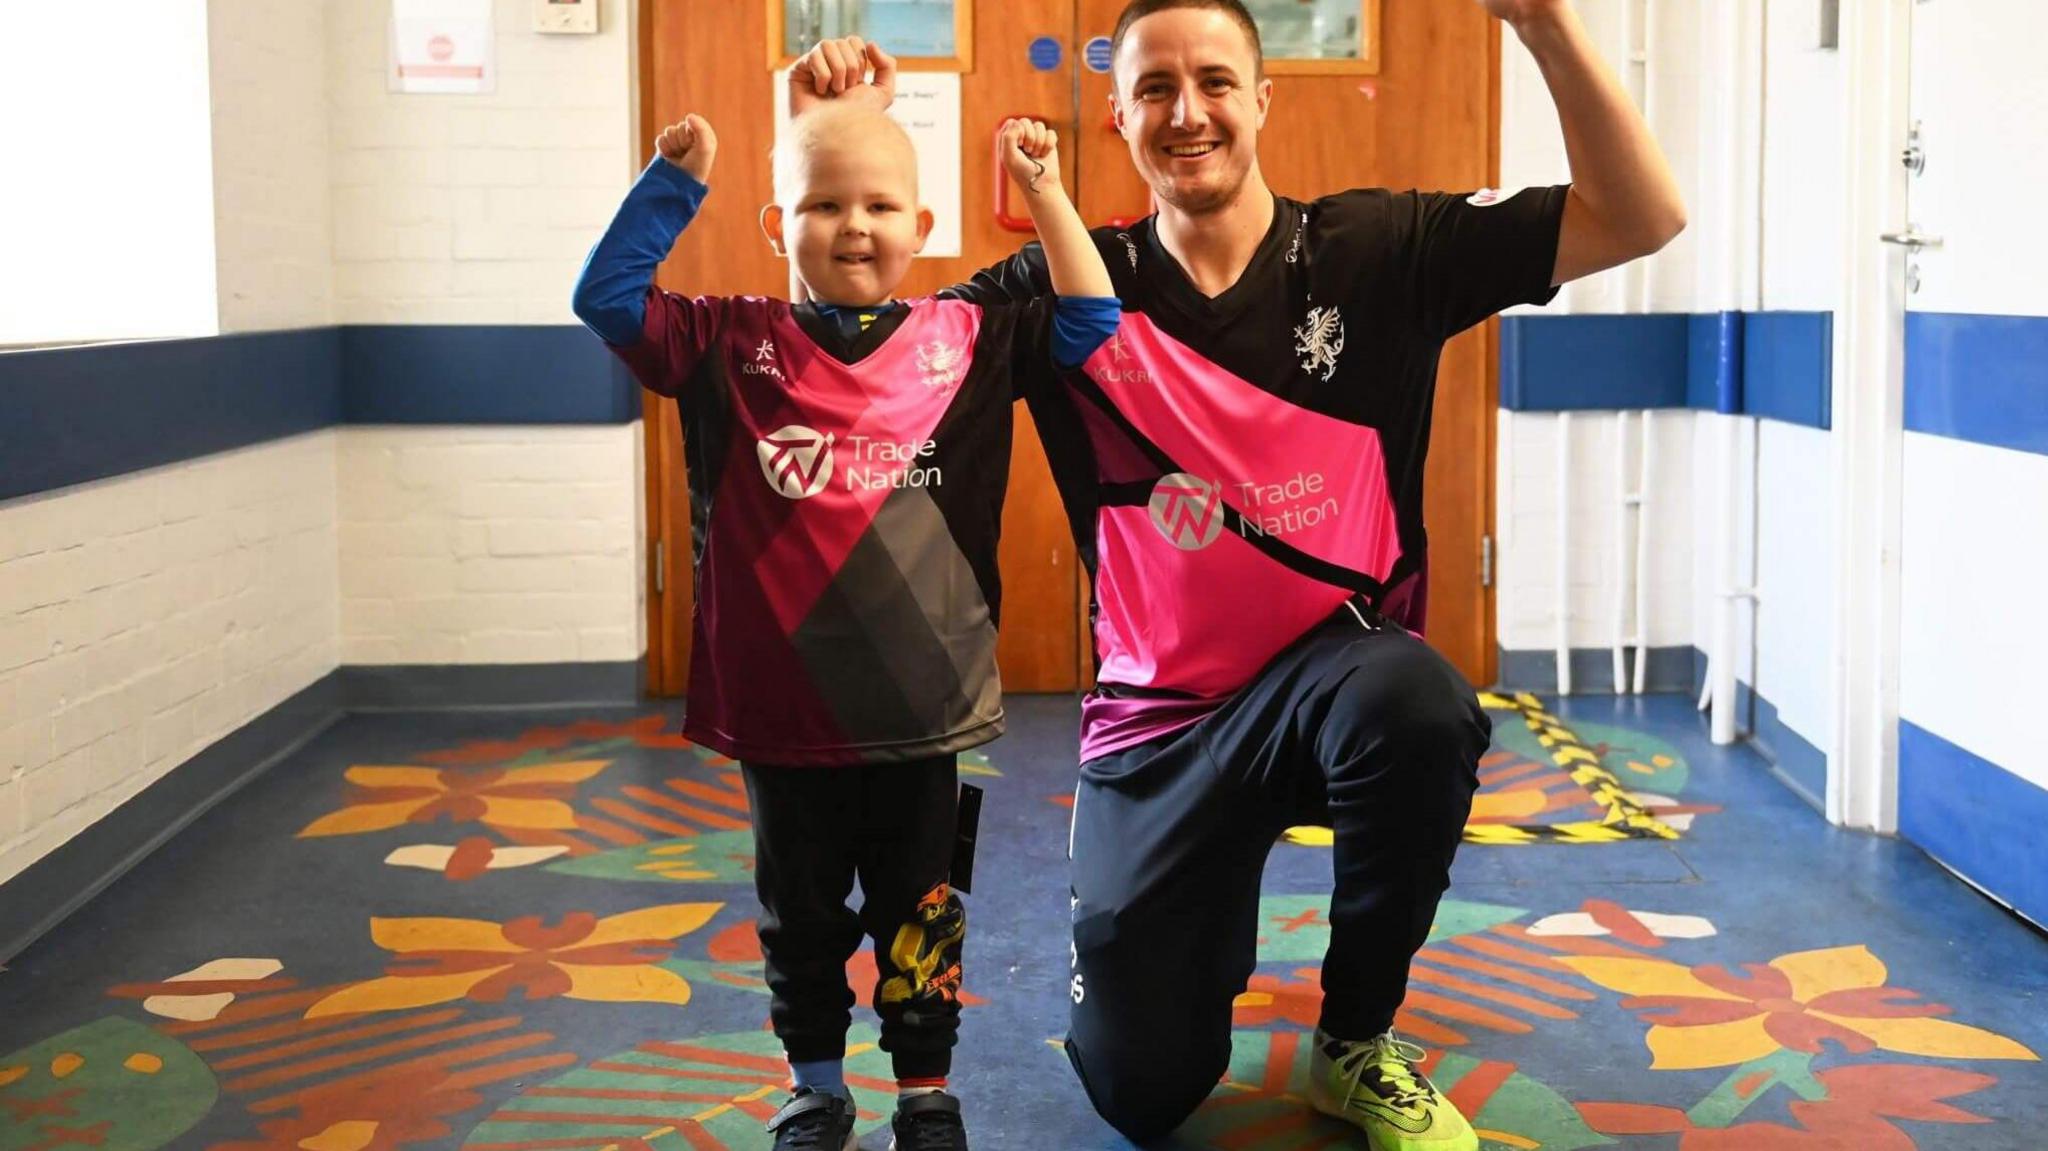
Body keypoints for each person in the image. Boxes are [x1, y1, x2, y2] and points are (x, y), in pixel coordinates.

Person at [788, 2, 1683, 1146]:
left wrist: (1546, 26)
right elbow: (863, 370)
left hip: (1332, 686)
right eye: (1153, 89)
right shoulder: (1068, 282)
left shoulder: (1379, 248)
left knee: (1416, 705)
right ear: (1117, 119)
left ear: (1262, 100)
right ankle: (1185, 931)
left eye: (1214, 81)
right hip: (1155, 721)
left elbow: (1641, 213)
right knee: (1139, 1091)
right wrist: (833, 138)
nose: (1186, 110)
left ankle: (1354, 1038)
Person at [571, 80, 1119, 1151]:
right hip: (781, 711)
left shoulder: (964, 338)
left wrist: (1042, 189)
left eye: (878, 205)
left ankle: (924, 1090)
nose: (852, 225)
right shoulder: (727, 341)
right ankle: (814, 1088)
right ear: (779, 224)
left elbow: (1092, 319)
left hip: (923, 705)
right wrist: (671, 184)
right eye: (823, 204)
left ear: (920, 227)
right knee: (802, 920)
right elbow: (607, 298)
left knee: (921, 913)